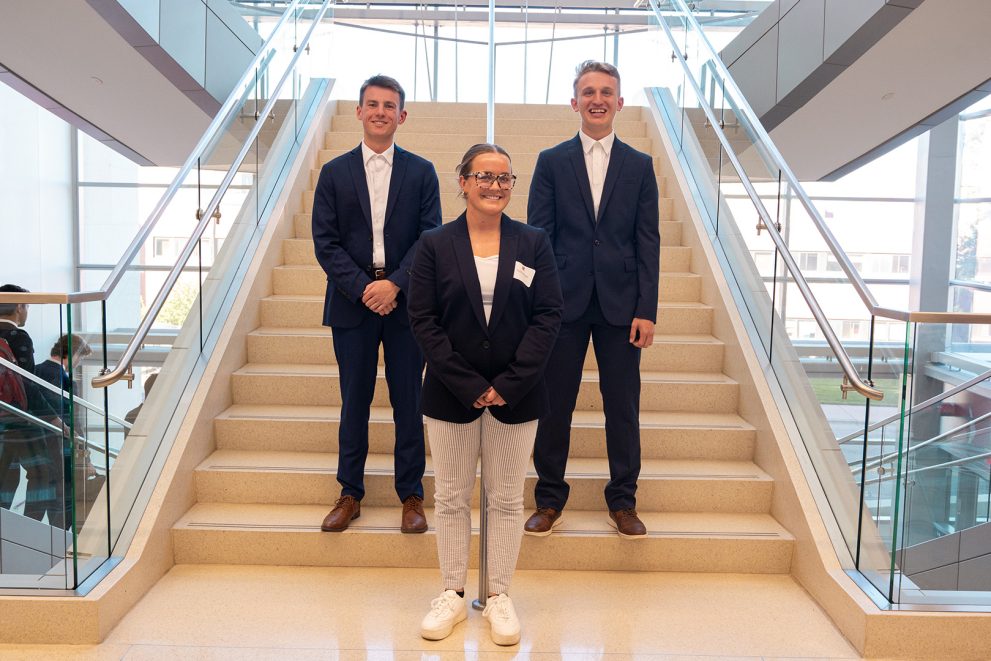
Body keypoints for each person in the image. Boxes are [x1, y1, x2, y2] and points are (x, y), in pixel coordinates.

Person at [407, 144, 563, 645]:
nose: (495, 186)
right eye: (484, 176)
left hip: (518, 394)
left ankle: (498, 597)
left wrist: (510, 383)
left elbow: (548, 316)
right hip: (452, 392)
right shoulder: (435, 243)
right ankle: (452, 594)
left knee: (506, 501)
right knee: (451, 497)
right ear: (463, 181)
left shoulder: (534, 242)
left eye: (504, 178)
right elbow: (423, 319)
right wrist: (470, 384)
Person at [524, 60, 660, 539]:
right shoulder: (551, 161)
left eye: (606, 92)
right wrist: (537, 306)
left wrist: (647, 309)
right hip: (563, 304)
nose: (597, 99)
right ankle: (548, 500)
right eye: (588, 91)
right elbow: (537, 238)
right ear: (575, 101)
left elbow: (648, 241)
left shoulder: (640, 166)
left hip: (622, 308)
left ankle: (623, 501)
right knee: (554, 403)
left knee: (622, 405)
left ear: (619, 103)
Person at [311, 74, 442, 533]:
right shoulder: (333, 172)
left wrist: (396, 285)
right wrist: (366, 288)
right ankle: (350, 493)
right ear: (359, 111)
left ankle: (412, 496)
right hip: (352, 304)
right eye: (373, 104)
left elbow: (430, 238)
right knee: (355, 402)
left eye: (390, 105)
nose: (381, 112)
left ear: (401, 115)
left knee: (409, 401)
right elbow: (325, 243)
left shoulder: (422, 171)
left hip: (408, 304)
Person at [0, 284, 66, 527]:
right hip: (18, 420)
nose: (27, 312)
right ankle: (28, 528)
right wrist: (54, 419)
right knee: (43, 473)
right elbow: (28, 384)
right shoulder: (17, 337)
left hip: (2, 422)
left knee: (6, 476)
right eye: (27, 306)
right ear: (19, 306)